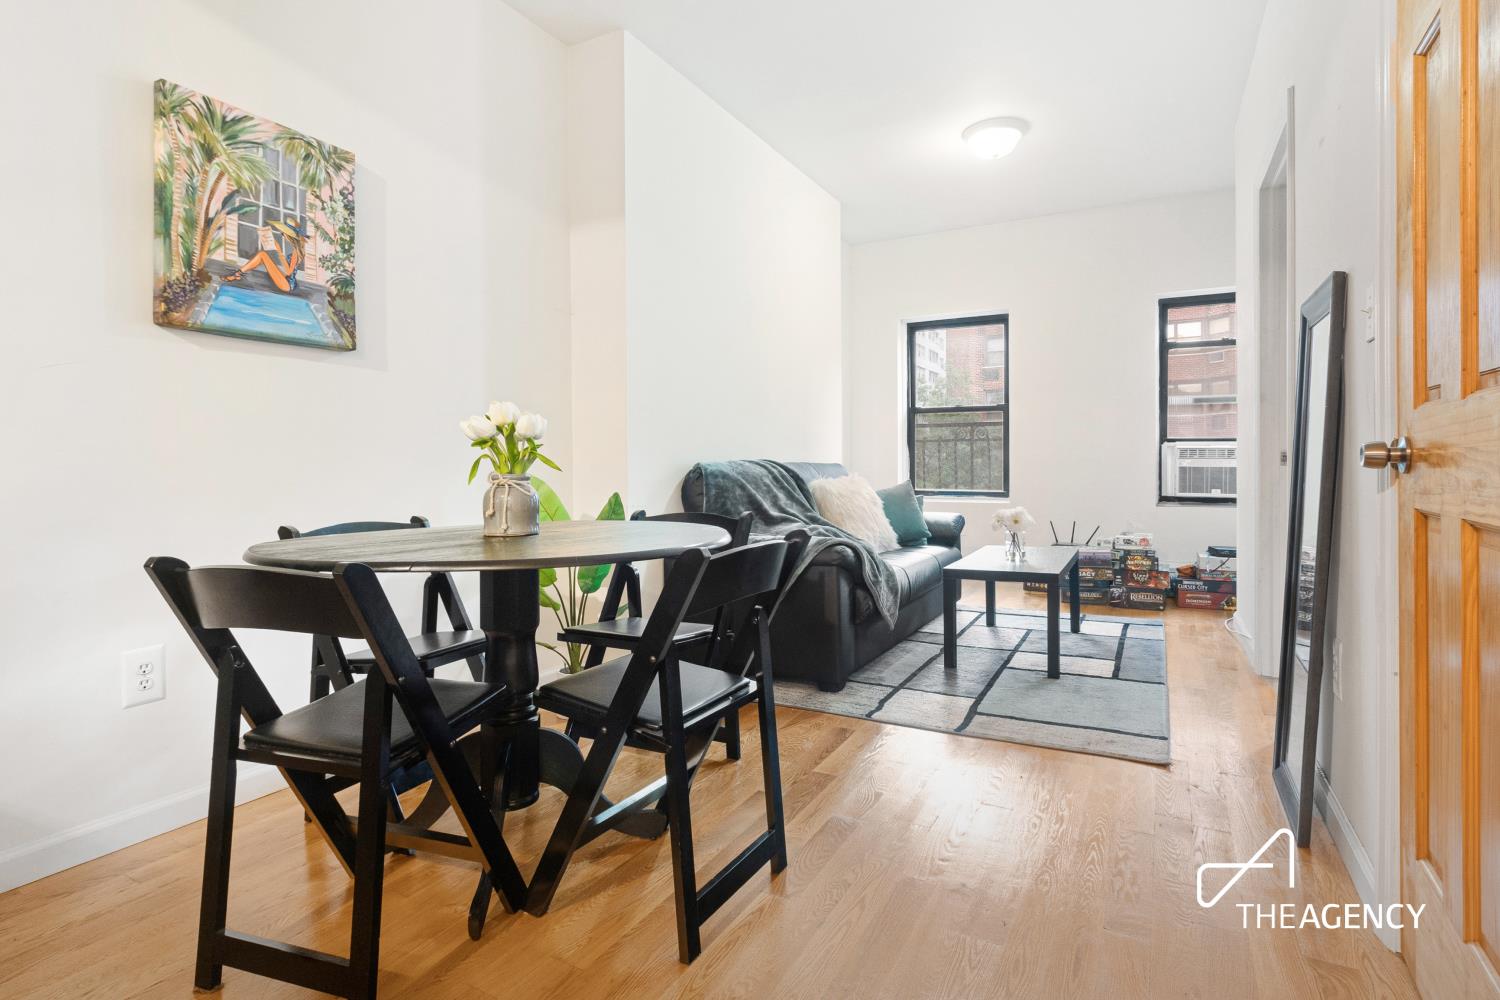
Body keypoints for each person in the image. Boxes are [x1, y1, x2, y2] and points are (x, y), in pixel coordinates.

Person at [224, 218, 307, 293]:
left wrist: (279, 251)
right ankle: (238, 274)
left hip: (287, 284)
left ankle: (237, 274)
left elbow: (289, 272)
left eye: (283, 233)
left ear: (289, 236)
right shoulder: (296, 250)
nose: (282, 235)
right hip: (289, 281)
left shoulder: (295, 252)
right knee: (261, 257)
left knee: (262, 255)